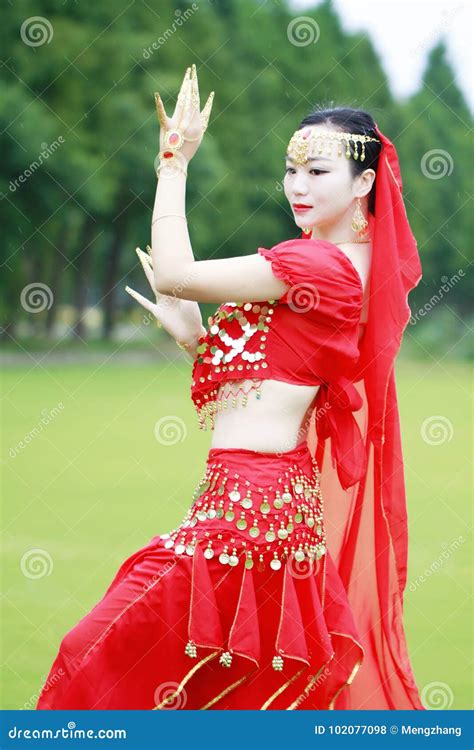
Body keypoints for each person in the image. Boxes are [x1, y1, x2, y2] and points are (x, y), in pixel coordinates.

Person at [36, 65, 424, 710]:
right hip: (262, 505)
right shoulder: (341, 269)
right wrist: (195, 338)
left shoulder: (317, 264)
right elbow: (277, 382)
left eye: (318, 171)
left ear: (365, 183)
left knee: (95, 657)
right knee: (224, 690)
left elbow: (179, 272)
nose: (297, 185)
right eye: (292, 168)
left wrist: (173, 163)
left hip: (247, 509)